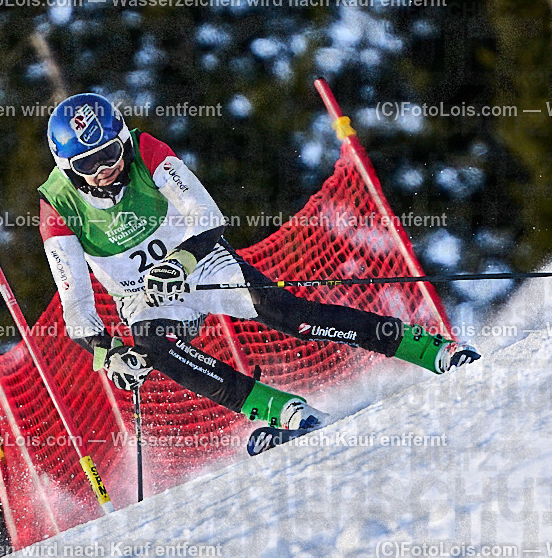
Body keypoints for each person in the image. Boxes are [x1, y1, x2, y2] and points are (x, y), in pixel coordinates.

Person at [39, 93, 479, 431]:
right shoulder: (57, 205)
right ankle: (281, 411)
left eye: (111, 153)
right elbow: (76, 304)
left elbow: (208, 216)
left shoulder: (145, 149)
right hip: (142, 295)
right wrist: (107, 353)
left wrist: (183, 261)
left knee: (289, 315)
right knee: (154, 348)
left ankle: (431, 350)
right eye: (89, 163)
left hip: (200, 262)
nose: (107, 168)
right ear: (67, 166)